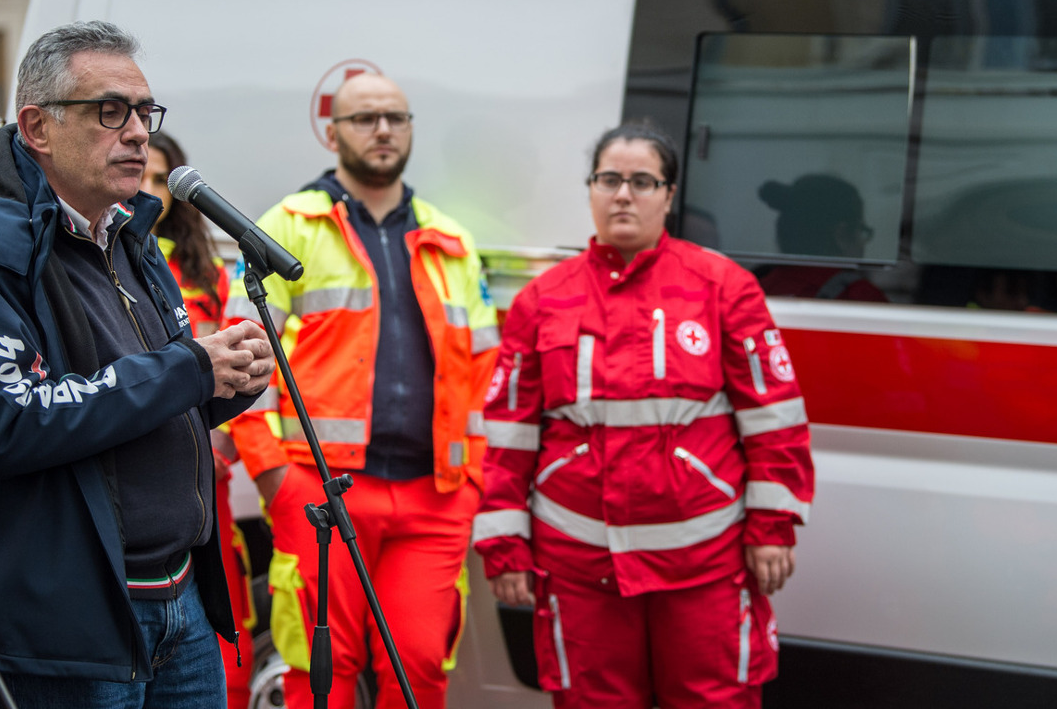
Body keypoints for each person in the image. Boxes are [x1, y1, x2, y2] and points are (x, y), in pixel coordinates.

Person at [0, 21, 275, 709]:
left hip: (178, 596)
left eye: (143, 112)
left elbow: (138, 397)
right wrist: (188, 369)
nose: (137, 132)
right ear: (38, 127)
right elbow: (6, 422)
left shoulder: (130, 230)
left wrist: (224, 380)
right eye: (111, 111)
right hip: (70, 615)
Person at [472, 120, 815, 709]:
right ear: (590, 190)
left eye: (642, 181)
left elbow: (774, 419)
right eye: (609, 179)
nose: (623, 194)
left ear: (669, 195)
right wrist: (505, 546)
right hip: (579, 569)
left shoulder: (723, 288)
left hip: (703, 568)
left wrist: (772, 529)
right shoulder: (542, 300)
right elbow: (508, 434)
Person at [223, 72, 499, 709]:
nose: (383, 130)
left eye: (396, 118)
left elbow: (484, 371)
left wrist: (474, 480)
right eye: (365, 118)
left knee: (421, 668)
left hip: (434, 498)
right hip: (321, 491)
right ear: (333, 133)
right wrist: (274, 479)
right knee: (324, 669)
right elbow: (243, 361)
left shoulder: (451, 239)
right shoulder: (286, 227)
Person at [139, 130, 255, 709]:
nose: (150, 192)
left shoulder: (207, 276)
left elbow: (235, 370)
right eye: (142, 178)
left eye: (162, 181)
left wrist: (223, 448)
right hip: (143, 476)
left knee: (222, 614)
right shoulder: (109, 268)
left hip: (209, 476)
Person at [755, 173, 888, 302]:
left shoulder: (756, 289)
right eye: (862, 231)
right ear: (841, 235)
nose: (863, 243)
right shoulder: (860, 297)